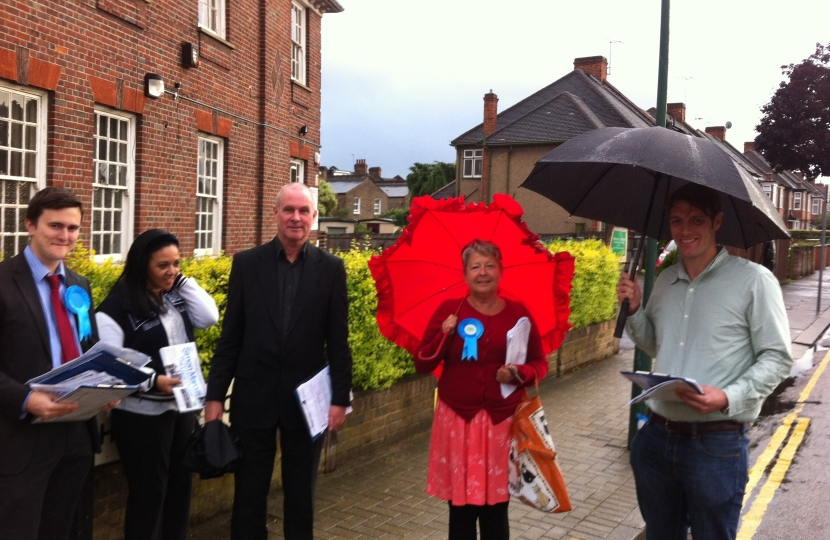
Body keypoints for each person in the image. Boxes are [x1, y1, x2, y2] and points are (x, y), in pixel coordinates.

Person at [617, 183, 793, 540]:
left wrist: (728, 396)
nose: (685, 230)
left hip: (715, 444)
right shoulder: (665, 280)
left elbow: (777, 357)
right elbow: (655, 344)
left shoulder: (754, 281)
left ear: (717, 222)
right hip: (655, 437)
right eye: (677, 220)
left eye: (696, 220)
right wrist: (635, 311)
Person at [204, 182, 353, 540]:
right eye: (289, 210)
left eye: (304, 211)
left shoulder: (331, 269)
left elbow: (338, 342)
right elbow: (231, 339)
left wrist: (339, 399)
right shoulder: (246, 264)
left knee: (301, 496)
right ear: (275, 215)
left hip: (307, 402)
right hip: (253, 398)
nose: (296, 218)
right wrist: (213, 400)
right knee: (249, 496)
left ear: (314, 218)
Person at [0, 186, 116, 539]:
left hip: (76, 434)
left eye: (73, 228)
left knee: (64, 529)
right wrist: (23, 398)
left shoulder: (78, 284)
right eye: (55, 226)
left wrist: (108, 384)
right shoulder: (3, 281)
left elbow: (88, 348)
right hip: (20, 438)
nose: (65, 236)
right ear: (30, 225)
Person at [414, 239, 549, 540]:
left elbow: (540, 363)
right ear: (465, 274)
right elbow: (421, 362)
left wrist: (518, 374)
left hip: (501, 425)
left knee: (496, 507)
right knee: (460, 509)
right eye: (475, 266)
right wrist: (444, 335)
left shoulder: (518, 314)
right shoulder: (449, 310)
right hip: (458, 422)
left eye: (490, 265)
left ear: (501, 271)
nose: (483, 272)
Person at [96, 229, 219, 540]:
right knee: (150, 494)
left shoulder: (174, 296)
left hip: (181, 409)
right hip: (142, 417)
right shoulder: (115, 308)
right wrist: (154, 381)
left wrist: (181, 281)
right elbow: (111, 365)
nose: (172, 271)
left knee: (181, 488)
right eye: (163, 265)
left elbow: (209, 317)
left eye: (176, 263)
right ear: (141, 265)